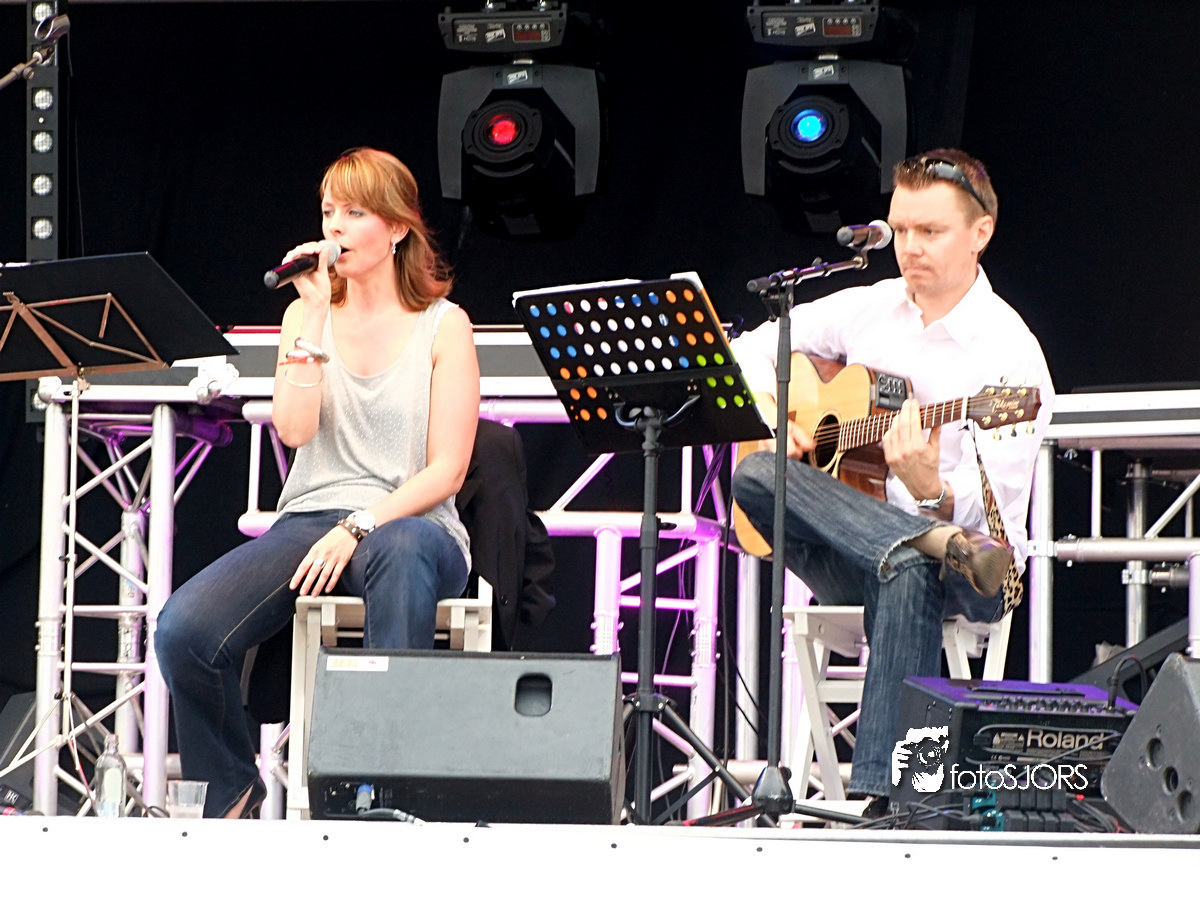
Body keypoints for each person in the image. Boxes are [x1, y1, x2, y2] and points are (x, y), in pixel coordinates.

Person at [155, 147, 480, 818]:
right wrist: (311, 321)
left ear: (397, 228)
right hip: (312, 520)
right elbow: (295, 429)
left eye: (355, 213)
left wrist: (360, 525)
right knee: (184, 630)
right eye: (329, 211)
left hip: (413, 525)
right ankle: (231, 789)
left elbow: (447, 470)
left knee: (401, 549)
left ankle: (382, 794)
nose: (334, 226)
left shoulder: (444, 326)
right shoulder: (305, 318)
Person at [730, 149, 1055, 808]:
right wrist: (776, 416)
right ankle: (892, 807)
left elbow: (996, 528)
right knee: (760, 472)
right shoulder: (870, 307)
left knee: (909, 567)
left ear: (980, 233)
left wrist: (932, 491)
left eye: (930, 231)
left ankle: (885, 795)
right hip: (858, 549)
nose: (909, 247)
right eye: (900, 229)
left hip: (972, 570)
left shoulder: (1010, 354)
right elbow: (748, 347)